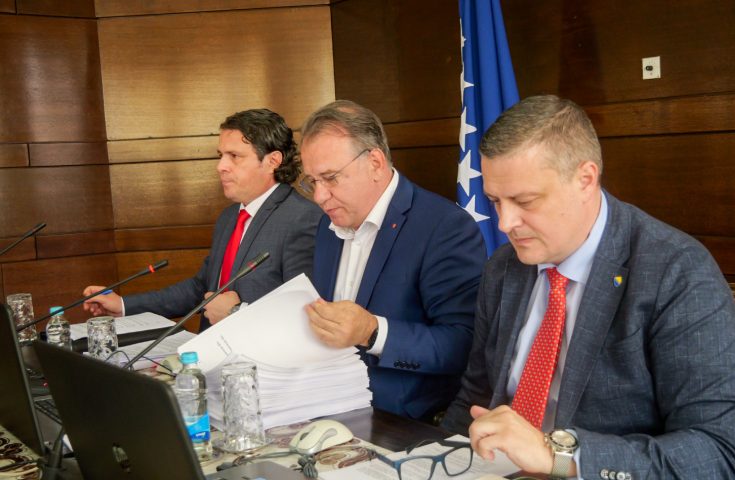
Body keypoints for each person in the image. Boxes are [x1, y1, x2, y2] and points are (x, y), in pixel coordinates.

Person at [441, 95, 735, 478]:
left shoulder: (676, 271)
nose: (505, 223)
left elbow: (721, 455)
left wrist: (560, 456)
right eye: (495, 201)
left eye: (525, 201)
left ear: (585, 180)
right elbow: (474, 397)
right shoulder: (504, 268)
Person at [298, 100, 487, 421]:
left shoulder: (443, 227)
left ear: (374, 162)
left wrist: (373, 332)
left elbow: (463, 345)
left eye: (330, 178)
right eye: (311, 181)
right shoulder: (327, 227)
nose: (319, 196)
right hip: (324, 407)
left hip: (402, 423)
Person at [83, 109, 322, 331]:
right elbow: (202, 288)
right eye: (221, 156)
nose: (221, 166)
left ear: (273, 161)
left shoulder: (302, 218)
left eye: (234, 156)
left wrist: (237, 312)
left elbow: (303, 315)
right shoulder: (229, 217)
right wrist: (123, 305)